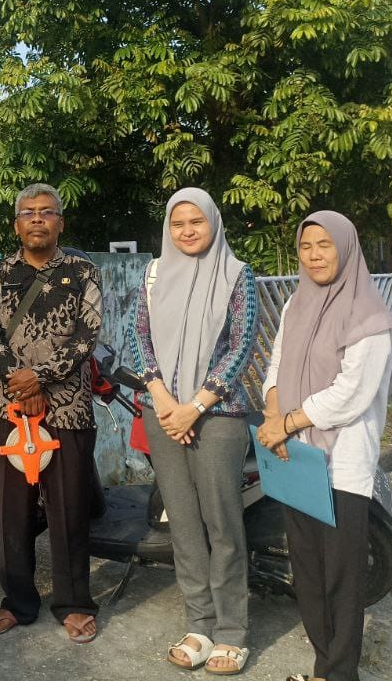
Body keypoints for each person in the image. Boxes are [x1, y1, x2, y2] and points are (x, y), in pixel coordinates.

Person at [256, 212, 392, 681]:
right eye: (306, 246)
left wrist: (286, 424)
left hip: (342, 463)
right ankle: (324, 666)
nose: (315, 255)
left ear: (346, 248)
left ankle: (340, 673)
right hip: (296, 458)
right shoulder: (295, 304)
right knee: (308, 571)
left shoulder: (370, 319)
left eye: (325, 245)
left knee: (341, 576)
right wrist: (275, 418)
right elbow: (276, 365)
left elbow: (350, 394)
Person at [126, 188, 257, 675]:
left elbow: (241, 347)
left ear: (213, 223)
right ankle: (199, 624)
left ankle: (231, 631)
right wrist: (163, 400)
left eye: (196, 222)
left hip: (218, 415)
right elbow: (137, 336)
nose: (186, 231)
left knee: (223, 523)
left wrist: (196, 405)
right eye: (177, 223)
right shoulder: (154, 273)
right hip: (161, 412)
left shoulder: (237, 274)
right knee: (182, 522)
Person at [0, 183, 102, 644]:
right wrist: (20, 382)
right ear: (16, 225)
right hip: (11, 407)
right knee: (13, 509)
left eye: (46, 212)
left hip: (67, 407)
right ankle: (17, 600)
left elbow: (87, 335)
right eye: (28, 212)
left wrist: (39, 378)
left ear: (60, 223)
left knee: (69, 507)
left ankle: (74, 602)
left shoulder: (83, 272)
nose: (37, 218)